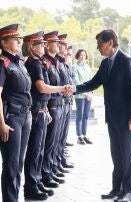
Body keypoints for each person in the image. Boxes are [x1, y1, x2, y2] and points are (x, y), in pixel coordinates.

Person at [74, 29, 131, 202]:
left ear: (111, 42)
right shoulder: (106, 64)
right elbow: (94, 83)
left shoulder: (127, 61)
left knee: (127, 156)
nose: (98, 48)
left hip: (127, 118)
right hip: (112, 117)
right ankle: (116, 189)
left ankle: (128, 191)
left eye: (100, 44)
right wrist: (74, 88)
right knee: (116, 154)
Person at [22, 31, 70, 200]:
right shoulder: (35, 63)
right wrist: (62, 88)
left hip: (42, 108)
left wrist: (46, 109)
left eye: (43, 43)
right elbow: (41, 88)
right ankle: (32, 185)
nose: (43, 46)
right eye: (40, 44)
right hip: (36, 111)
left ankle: (38, 180)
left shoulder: (39, 62)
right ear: (31, 47)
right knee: (35, 150)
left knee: (41, 149)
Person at [0, 24, 32, 202]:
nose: (20, 42)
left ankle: (14, 198)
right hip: (10, 118)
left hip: (24, 117)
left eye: (20, 39)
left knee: (18, 163)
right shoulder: (0, 64)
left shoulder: (19, 62)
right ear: (4, 43)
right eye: (16, 39)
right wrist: (1, 124)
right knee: (11, 164)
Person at [40, 31, 68, 188]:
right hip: (51, 106)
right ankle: (46, 173)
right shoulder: (45, 63)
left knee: (55, 141)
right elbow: (45, 87)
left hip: (60, 104)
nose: (58, 45)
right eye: (55, 42)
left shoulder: (56, 62)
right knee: (48, 143)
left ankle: (51, 169)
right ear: (47, 44)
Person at [55, 34, 75, 171]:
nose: (65, 47)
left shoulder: (63, 62)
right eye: (62, 44)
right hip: (55, 103)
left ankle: (58, 161)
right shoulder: (54, 63)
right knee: (53, 140)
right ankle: (52, 166)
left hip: (65, 102)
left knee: (61, 137)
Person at [73, 49, 93, 145]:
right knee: (80, 116)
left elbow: (91, 81)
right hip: (80, 96)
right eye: (81, 55)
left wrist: (90, 92)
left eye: (84, 55)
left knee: (86, 116)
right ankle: (79, 136)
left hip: (88, 95)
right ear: (78, 56)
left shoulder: (88, 67)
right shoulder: (75, 67)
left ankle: (84, 135)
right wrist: (85, 92)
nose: (82, 57)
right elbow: (76, 81)